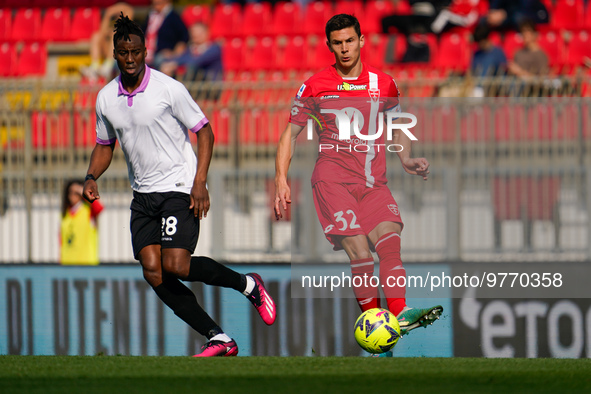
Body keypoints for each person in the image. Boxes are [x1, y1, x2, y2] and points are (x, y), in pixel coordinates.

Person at [83, 14, 276, 357]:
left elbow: (204, 131)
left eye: (136, 52)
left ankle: (248, 284)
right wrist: (91, 176)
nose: (130, 59)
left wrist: (199, 182)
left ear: (145, 52)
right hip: (142, 195)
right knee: (153, 272)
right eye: (123, 53)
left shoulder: (168, 88)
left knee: (175, 266)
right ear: (114, 53)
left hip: (178, 186)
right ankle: (218, 337)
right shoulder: (105, 98)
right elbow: (105, 144)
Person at [274, 14, 443, 346]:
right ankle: (377, 330)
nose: (344, 48)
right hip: (332, 181)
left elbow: (397, 127)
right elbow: (289, 136)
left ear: (362, 41)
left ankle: (400, 313)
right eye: (337, 43)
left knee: (390, 240)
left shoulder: (385, 83)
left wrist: (406, 158)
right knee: (360, 251)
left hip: (373, 183)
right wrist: (281, 179)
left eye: (350, 41)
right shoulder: (314, 85)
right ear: (329, 46)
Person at [81, 2, 135, 81]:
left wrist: (117, 9)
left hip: (121, 51)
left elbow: (125, 26)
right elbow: (102, 32)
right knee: (96, 36)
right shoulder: (112, 18)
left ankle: (108, 66)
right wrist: (108, 15)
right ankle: (94, 66)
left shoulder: (128, 12)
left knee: (115, 35)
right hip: (109, 50)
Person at [60, 179, 104, 265]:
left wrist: (82, 191)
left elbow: (99, 208)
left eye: (76, 193)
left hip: (86, 264)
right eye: (71, 192)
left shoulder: (88, 210)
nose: (73, 196)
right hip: (67, 263)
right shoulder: (65, 215)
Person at [143, 0, 189, 68]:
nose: (155, 5)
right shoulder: (151, 16)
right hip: (147, 51)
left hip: (163, 53)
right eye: (153, 3)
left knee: (159, 60)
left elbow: (184, 36)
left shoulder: (173, 17)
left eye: (158, 3)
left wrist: (174, 52)